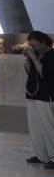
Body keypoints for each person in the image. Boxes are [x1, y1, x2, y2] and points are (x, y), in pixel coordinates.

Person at [24, 31, 54, 168]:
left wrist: (35, 59)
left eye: (35, 45)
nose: (34, 48)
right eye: (32, 46)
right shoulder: (35, 55)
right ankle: (41, 155)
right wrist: (28, 58)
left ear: (43, 42)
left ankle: (53, 157)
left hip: (46, 96)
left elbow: (45, 74)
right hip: (32, 93)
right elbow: (29, 71)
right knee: (35, 126)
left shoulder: (51, 55)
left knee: (48, 127)